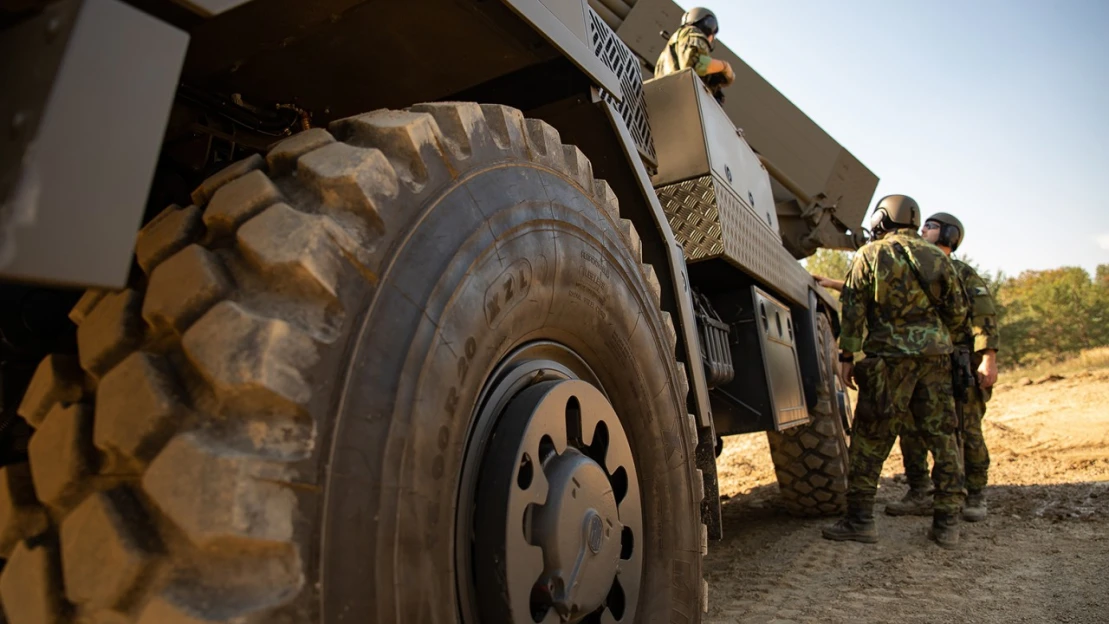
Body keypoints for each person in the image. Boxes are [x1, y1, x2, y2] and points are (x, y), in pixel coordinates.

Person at [821, 195, 969, 549]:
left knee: (871, 438)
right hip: (935, 357)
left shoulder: (870, 255)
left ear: (882, 218)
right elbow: (959, 311)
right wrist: (933, 336)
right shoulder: (937, 256)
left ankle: (860, 521)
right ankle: (947, 524)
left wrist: (846, 355)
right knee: (943, 437)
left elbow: (854, 307)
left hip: (888, 358)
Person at [885, 212, 999, 522]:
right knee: (910, 428)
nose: (923, 229)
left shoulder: (962, 272)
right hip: (922, 364)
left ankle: (975, 494)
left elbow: (983, 316)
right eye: (924, 225)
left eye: (931, 226)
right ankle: (920, 491)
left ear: (950, 234)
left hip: (959, 362)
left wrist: (988, 357)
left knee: (968, 427)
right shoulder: (912, 270)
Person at [654, 7, 735, 101]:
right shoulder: (693, 33)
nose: (711, 39)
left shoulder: (676, 42)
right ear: (708, 25)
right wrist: (724, 66)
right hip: (681, 99)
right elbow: (695, 64)